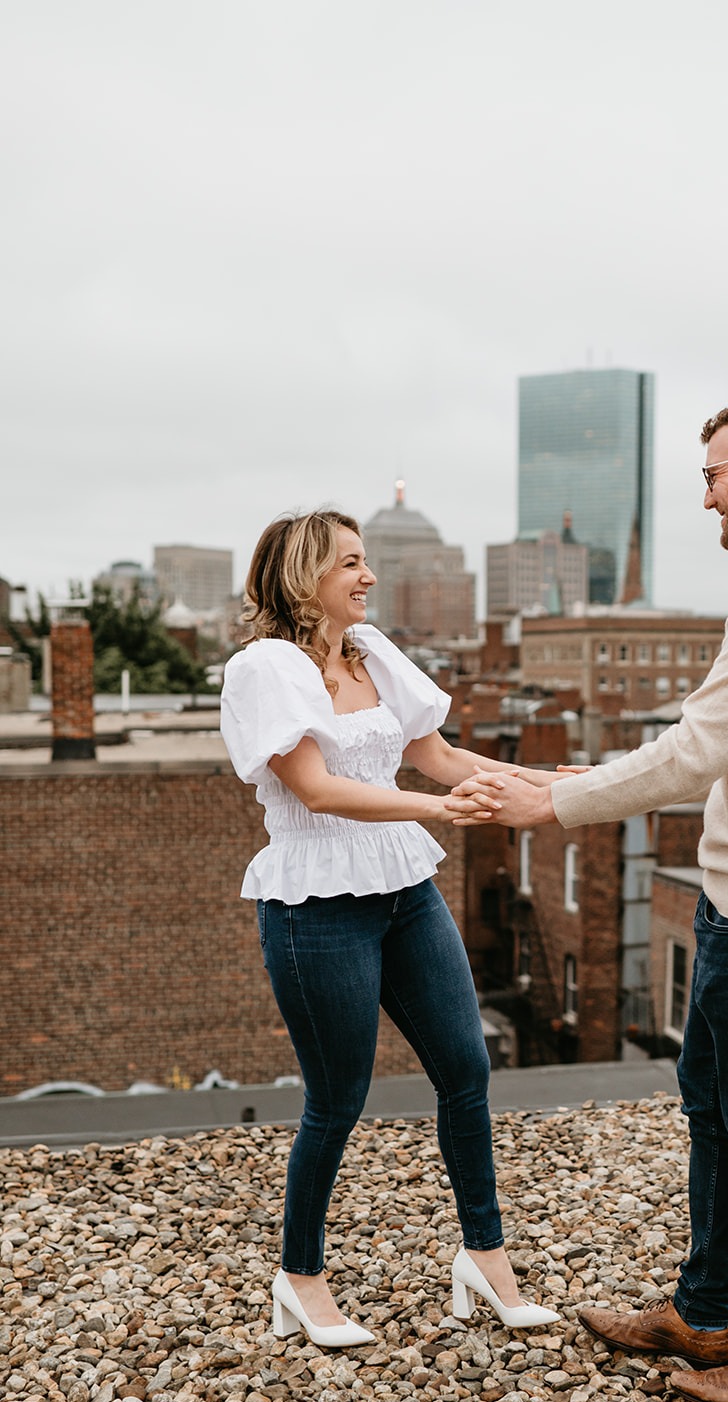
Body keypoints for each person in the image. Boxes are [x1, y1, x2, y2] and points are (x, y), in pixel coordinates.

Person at [454, 392, 728, 1402]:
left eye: (715, 473)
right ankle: (703, 1313)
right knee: (716, 1110)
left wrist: (548, 800)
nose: (708, 499)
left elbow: (692, 752)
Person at [220, 509, 560, 1347]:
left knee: (466, 1067)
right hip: (316, 902)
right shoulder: (267, 667)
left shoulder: (371, 652)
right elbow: (319, 790)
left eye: (366, 562)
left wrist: (552, 781)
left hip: (402, 888)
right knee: (337, 1100)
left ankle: (485, 1258)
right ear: (305, 577)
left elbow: (441, 757)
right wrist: (441, 810)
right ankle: (301, 1276)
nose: (367, 577)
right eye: (351, 564)